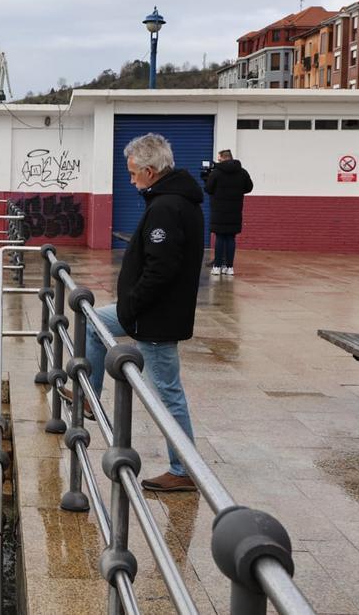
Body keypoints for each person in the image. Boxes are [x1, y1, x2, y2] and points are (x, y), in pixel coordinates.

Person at [84, 133, 203, 492]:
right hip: (145, 312)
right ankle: (90, 395)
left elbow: (160, 269)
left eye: (133, 173)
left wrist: (133, 307)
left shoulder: (168, 207)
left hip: (155, 317)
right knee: (93, 321)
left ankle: (183, 470)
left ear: (150, 171)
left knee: (167, 393)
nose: (131, 179)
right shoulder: (171, 200)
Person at [204, 149, 253, 276]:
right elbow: (249, 187)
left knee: (220, 238)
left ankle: (217, 267)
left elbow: (209, 189)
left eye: (219, 158)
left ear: (223, 158)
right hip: (235, 210)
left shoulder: (216, 173)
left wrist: (206, 178)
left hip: (219, 210)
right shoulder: (242, 172)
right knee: (231, 238)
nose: (218, 160)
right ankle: (229, 267)